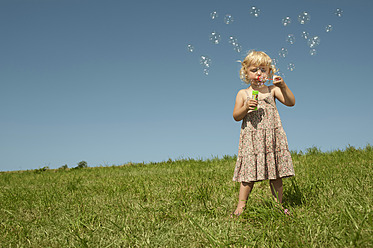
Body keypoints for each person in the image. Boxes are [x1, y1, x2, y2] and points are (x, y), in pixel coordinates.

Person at [231, 50, 295, 217]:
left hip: (272, 137)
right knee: (248, 175)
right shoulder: (243, 93)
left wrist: (283, 86)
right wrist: (245, 107)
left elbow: (290, 102)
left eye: (263, 69)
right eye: (254, 70)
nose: (258, 73)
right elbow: (236, 116)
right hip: (252, 138)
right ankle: (240, 208)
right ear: (246, 72)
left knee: (276, 174)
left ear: (269, 72)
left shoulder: (272, 90)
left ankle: (278, 207)